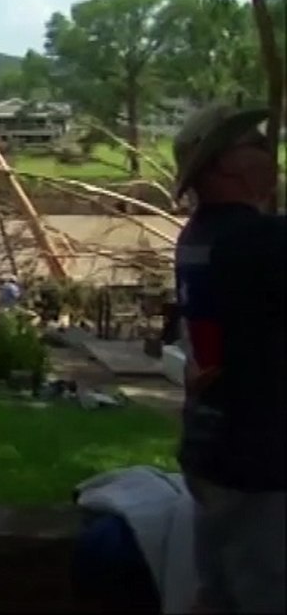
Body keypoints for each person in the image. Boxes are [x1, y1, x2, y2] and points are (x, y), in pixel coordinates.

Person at [171, 104, 284, 614]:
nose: (271, 150)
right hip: (262, 458)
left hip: (212, 444)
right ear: (224, 167)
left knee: (216, 595)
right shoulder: (258, 241)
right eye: (257, 144)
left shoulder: (199, 237)